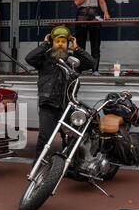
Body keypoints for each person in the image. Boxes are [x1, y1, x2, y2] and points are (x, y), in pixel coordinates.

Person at [25, 25, 94, 159]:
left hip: (68, 105)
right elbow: (29, 58)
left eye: (64, 42)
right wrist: (45, 44)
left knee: (72, 138)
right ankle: (39, 165)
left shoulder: (73, 61)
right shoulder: (44, 59)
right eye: (58, 41)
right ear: (53, 43)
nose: (61, 44)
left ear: (67, 44)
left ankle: (69, 165)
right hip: (48, 105)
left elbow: (91, 63)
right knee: (45, 137)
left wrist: (77, 48)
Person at [73, 0, 110, 76]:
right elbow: (77, 2)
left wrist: (106, 13)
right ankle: (79, 69)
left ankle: (95, 69)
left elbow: (101, 1)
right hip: (82, 15)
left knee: (96, 44)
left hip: (94, 15)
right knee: (80, 44)